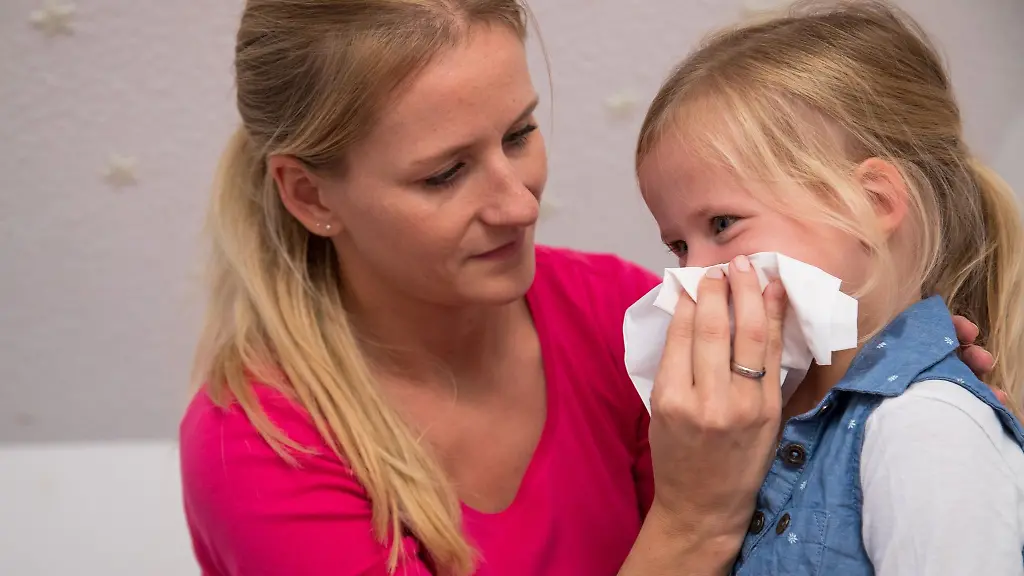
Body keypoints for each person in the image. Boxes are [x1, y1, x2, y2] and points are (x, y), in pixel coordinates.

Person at [177, 1, 997, 574]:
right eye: (444, 174)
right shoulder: (257, 449)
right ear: (311, 195)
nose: (518, 203)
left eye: (519, 134)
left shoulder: (613, 317)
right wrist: (692, 520)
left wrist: (853, 402)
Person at [635, 2, 1024, 574]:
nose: (694, 276)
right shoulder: (756, 433)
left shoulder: (923, 429)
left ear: (873, 203)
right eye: (678, 246)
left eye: (722, 224)